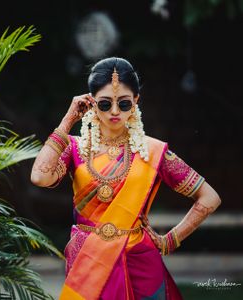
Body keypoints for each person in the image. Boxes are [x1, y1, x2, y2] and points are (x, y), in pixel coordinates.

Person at [30, 57, 221, 300]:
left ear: (136, 102)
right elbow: (39, 176)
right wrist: (68, 121)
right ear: (90, 103)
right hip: (87, 263)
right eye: (105, 103)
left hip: (139, 262)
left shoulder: (151, 152)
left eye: (124, 103)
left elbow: (210, 197)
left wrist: (170, 240)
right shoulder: (76, 148)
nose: (115, 111)